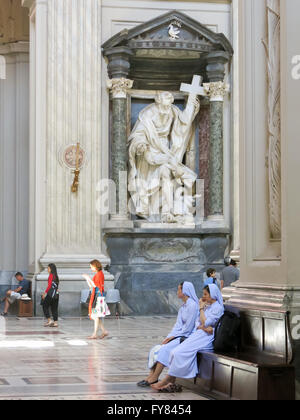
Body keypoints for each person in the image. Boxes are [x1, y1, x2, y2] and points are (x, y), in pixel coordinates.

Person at [152, 284, 224, 392]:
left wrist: (201, 310)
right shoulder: (208, 306)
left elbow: (206, 323)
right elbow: (198, 323)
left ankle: (167, 380)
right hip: (200, 334)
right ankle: (171, 380)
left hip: (207, 338)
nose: (203, 297)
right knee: (173, 352)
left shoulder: (217, 307)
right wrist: (203, 325)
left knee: (179, 353)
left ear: (213, 295)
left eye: (205, 294)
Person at [137, 282, 199, 388]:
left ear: (185, 291)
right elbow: (178, 325)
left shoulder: (192, 305)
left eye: (179, 289)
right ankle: (150, 376)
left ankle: (155, 377)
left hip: (187, 337)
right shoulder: (183, 306)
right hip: (179, 335)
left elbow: (188, 327)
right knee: (157, 348)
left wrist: (174, 337)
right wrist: (169, 336)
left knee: (165, 350)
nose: (177, 292)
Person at [83, 260, 110, 340]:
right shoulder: (98, 274)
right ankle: (104, 331)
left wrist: (88, 278)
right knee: (96, 316)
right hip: (97, 297)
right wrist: (87, 279)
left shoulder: (99, 274)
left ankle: (95, 334)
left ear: (95, 266)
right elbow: (91, 285)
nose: (91, 268)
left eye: (91, 266)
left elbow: (95, 285)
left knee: (95, 316)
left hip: (98, 297)